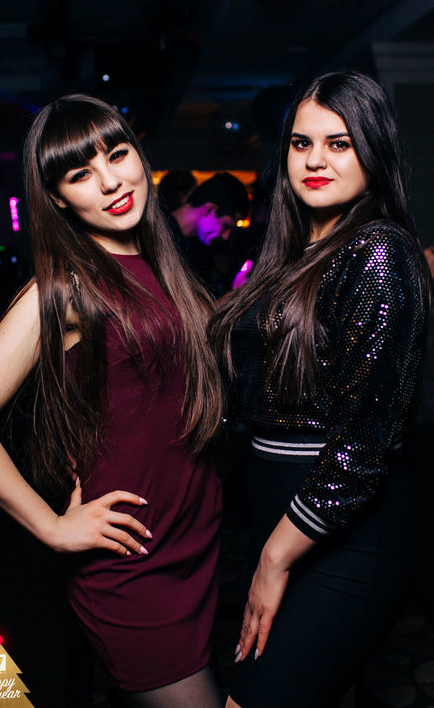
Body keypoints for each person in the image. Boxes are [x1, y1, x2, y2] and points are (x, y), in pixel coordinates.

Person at [0, 94, 224, 707]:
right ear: (59, 198)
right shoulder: (67, 285)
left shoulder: (162, 266)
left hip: (196, 543)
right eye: (80, 173)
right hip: (133, 565)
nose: (111, 181)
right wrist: (52, 528)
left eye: (117, 155)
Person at [210, 70, 432, 707]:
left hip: (345, 536)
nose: (314, 160)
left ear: (373, 150)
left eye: (339, 143)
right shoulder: (296, 251)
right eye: (301, 143)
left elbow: (363, 445)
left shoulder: (377, 252)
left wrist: (272, 560)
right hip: (287, 524)